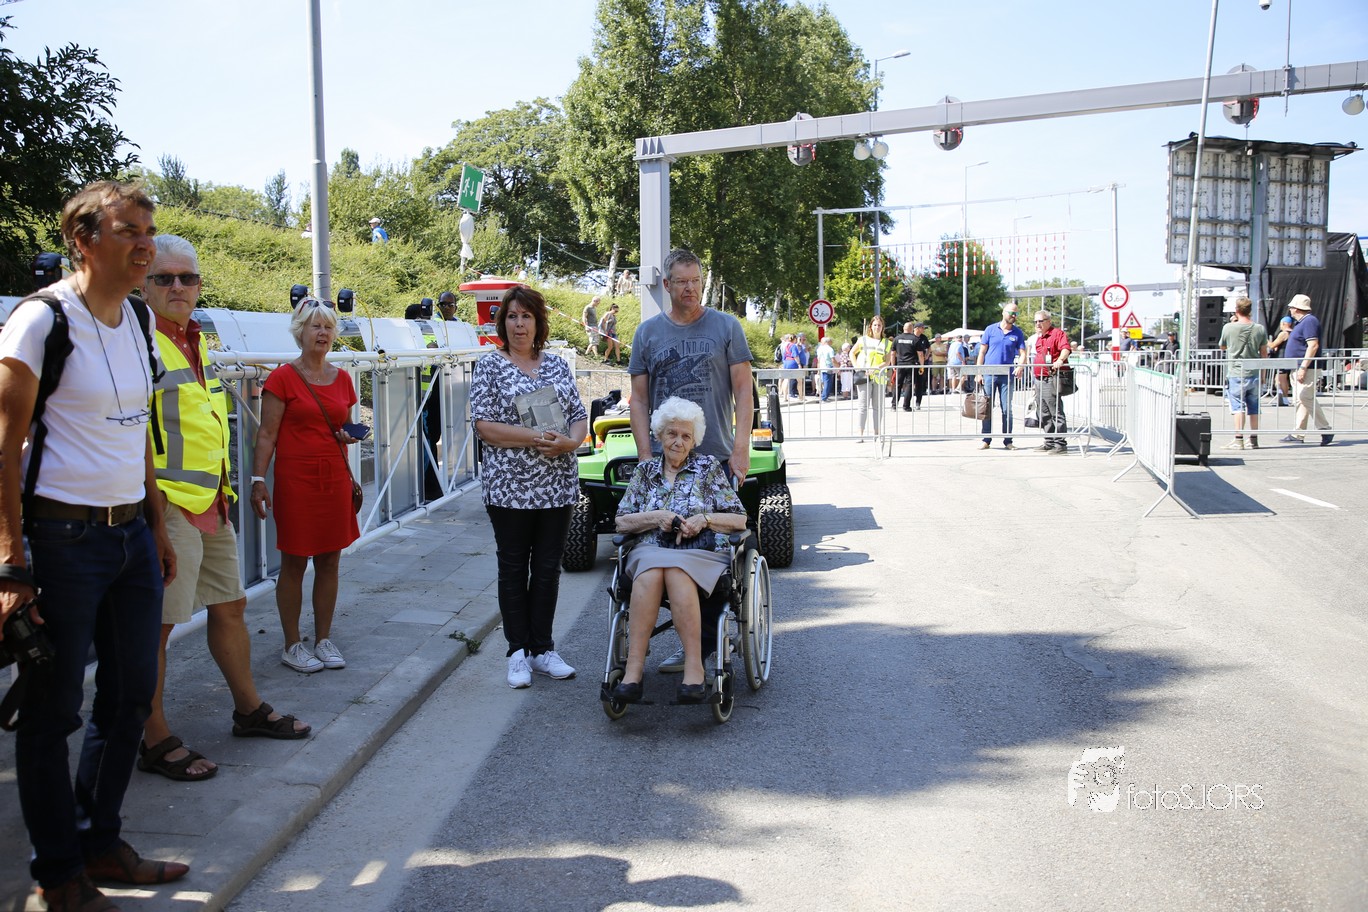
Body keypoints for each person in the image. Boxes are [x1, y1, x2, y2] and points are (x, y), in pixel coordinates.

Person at [0, 181, 188, 910]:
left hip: (130, 534)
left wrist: (156, 524)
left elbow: (139, 431)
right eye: (128, 231)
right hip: (62, 538)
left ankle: (100, 841)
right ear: (83, 241)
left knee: (131, 695)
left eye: (148, 230)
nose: (144, 244)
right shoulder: (41, 321)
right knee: (53, 714)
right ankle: (58, 875)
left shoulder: (138, 318)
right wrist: (11, 565)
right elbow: (4, 449)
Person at [137, 235, 311, 785]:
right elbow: (130, 434)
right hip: (167, 506)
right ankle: (153, 737)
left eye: (188, 278)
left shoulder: (195, 341)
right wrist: (153, 511)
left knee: (230, 606)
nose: (178, 287)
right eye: (165, 278)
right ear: (142, 283)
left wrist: (227, 492)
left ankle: (248, 710)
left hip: (210, 501)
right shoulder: (137, 342)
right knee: (157, 627)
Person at [628, 248, 753, 676]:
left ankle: (704, 644)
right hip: (665, 457)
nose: (690, 289)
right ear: (666, 285)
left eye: (696, 281)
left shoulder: (726, 326)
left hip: (714, 455)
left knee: (711, 545)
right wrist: (646, 456)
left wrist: (741, 447)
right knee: (664, 542)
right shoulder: (647, 333)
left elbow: (744, 390)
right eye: (682, 282)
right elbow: (639, 399)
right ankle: (681, 647)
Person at [470, 285, 587, 688]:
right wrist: (535, 437)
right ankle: (517, 652)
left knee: (548, 570)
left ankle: (543, 649)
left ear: (538, 322)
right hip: (510, 489)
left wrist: (570, 443)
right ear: (503, 323)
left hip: (557, 486)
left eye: (526, 316)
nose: (519, 324)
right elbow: (485, 427)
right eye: (512, 316)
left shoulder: (557, 365)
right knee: (513, 568)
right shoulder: (490, 366)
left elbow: (578, 416)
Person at [610, 397, 748, 704]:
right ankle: (633, 672)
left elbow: (739, 519)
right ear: (660, 435)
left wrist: (705, 519)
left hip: (700, 552)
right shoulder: (645, 472)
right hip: (650, 550)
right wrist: (657, 517)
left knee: (676, 571)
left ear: (694, 439)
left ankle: (694, 667)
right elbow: (621, 522)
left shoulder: (708, 468)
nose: (678, 441)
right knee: (650, 572)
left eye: (686, 436)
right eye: (672, 433)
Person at [250, 299, 362, 674]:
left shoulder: (342, 378)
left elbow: (342, 426)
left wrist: (348, 434)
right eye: (316, 326)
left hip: (334, 476)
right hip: (296, 479)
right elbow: (266, 434)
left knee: (330, 559)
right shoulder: (282, 378)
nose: (323, 333)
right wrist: (258, 480)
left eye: (328, 327)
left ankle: (324, 639)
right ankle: (292, 644)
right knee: (295, 561)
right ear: (300, 332)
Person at [1281, 294, 1333, 446]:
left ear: (1296, 308)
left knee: (1305, 397)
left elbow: (1313, 345)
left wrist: (1303, 367)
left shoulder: (1309, 321)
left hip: (1306, 367)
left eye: (1291, 307)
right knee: (1301, 399)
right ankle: (1298, 433)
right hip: (1301, 367)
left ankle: (1325, 429)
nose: (1290, 310)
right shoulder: (1303, 322)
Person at [1218, 296, 1269, 451]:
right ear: (1250, 310)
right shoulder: (1259, 328)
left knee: (1238, 407)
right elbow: (1264, 353)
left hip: (1236, 372)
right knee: (1254, 407)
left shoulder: (1228, 328)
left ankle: (1238, 439)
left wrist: (1233, 323)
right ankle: (1253, 439)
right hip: (1254, 372)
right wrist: (1263, 375)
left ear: (1236, 310)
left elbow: (1222, 346)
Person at [976, 302, 1027, 450]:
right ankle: (986, 439)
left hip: (1007, 376)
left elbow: (1023, 353)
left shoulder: (1017, 333)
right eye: (1011, 313)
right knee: (987, 408)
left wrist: (1020, 366)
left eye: (1016, 314)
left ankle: (1008, 440)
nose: (1014, 316)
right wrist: (979, 372)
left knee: (1007, 409)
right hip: (989, 374)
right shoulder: (990, 329)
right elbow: (982, 352)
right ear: (1003, 313)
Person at [1030, 310, 1072, 453]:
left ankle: (1060, 444)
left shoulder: (1057, 334)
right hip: (1039, 378)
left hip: (1051, 377)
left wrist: (1060, 360)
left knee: (1055, 411)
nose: (1037, 324)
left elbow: (1066, 349)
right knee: (1043, 412)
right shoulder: (1039, 337)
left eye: (1040, 321)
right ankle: (1049, 441)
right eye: (1035, 321)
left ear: (1048, 321)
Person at [851, 316, 892, 442]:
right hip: (864, 376)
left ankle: (877, 434)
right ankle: (860, 434)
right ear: (870, 327)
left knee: (877, 407)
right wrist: (857, 367)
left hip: (879, 376)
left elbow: (887, 361)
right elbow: (852, 353)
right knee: (863, 405)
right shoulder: (863, 340)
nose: (877, 327)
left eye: (879, 325)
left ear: (882, 327)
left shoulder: (887, 343)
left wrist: (875, 368)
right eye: (875, 325)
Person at [894, 321, 931, 411]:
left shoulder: (923, 338)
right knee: (909, 385)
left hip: (906, 364)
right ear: (914, 328)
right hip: (912, 364)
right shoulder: (914, 339)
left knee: (915, 384)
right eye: (922, 328)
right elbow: (920, 354)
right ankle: (904, 406)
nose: (923, 329)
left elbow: (892, 353)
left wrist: (894, 365)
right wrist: (922, 365)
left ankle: (915, 403)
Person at [1267, 315, 1295, 406]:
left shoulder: (1284, 334)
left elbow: (1272, 345)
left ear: (1284, 323)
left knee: (1281, 379)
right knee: (1281, 378)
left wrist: (1264, 340)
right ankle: (1282, 398)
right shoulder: (1293, 332)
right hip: (1287, 357)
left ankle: (1285, 399)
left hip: (1282, 357)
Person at [780, 333, 805, 402]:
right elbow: (795, 355)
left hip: (786, 363)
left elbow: (784, 356)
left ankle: (785, 397)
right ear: (795, 339)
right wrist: (799, 364)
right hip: (793, 363)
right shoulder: (793, 346)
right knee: (799, 380)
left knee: (786, 379)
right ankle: (801, 397)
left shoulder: (786, 346)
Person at [815, 334, 836, 402]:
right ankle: (824, 397)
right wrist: (837, 365)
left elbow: (818, 360)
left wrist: (818, 368)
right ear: (828, 342)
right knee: (828, 382)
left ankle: (824, 396)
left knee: (824, 382)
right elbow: (832, 359)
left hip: (822, 367)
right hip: (828, 367)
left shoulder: (819, 349)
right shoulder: (830, 349)